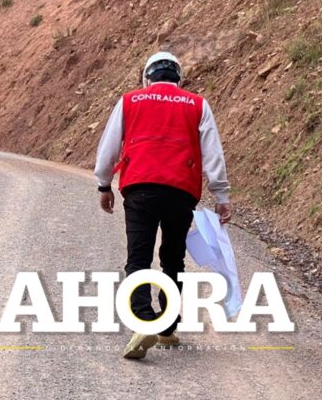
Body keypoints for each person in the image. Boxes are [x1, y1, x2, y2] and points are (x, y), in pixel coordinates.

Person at [94, 52, 231, 360]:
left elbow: (109, 146)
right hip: (181, 191)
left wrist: (104, 184)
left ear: (147, 79)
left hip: (140, 188)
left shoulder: (130, 100)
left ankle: (143, 319)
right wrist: (221, 197)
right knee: (173, 259)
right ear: (179, 80)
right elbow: (213, 156)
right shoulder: (198, 105)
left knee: (138, 257)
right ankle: (167, 326)